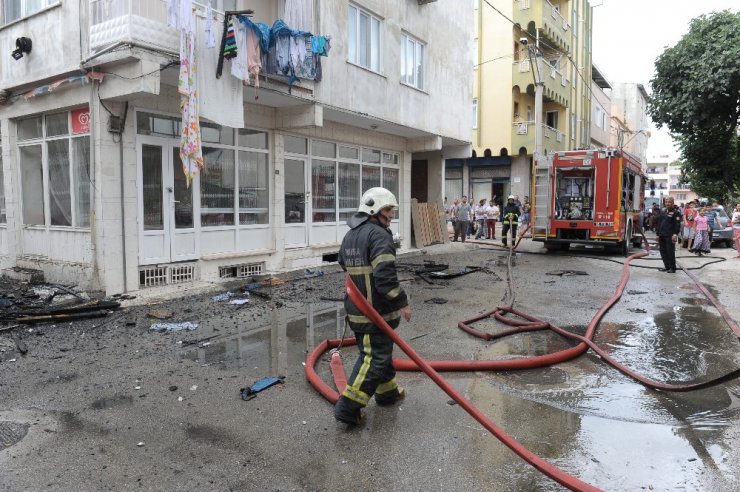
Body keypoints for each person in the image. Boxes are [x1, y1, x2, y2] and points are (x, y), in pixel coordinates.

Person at [334, 187, 412, 426]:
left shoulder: (351, 235)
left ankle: (387, 393)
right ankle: (348, 408)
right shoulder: (379, 236)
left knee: (380, 354)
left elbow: (342, 263)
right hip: (374, 314)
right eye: (388, 209)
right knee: (374, 358)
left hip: (358, 310)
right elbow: (385, 278)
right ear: (373, 210)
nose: (391, 215)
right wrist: (402, 302)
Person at [653, 197, 681, 273]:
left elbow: (677, 224)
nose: (667, 203)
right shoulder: (663, 211)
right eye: (666, 202)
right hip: (662, 235)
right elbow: (659, 224)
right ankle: (667, 267)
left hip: (670, 235)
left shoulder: (676, 212)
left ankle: (672, 268)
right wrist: (657, 234)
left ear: (673, 203)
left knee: (670, 251)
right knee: (663, 251)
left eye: (669, 202)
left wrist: (675, 234)